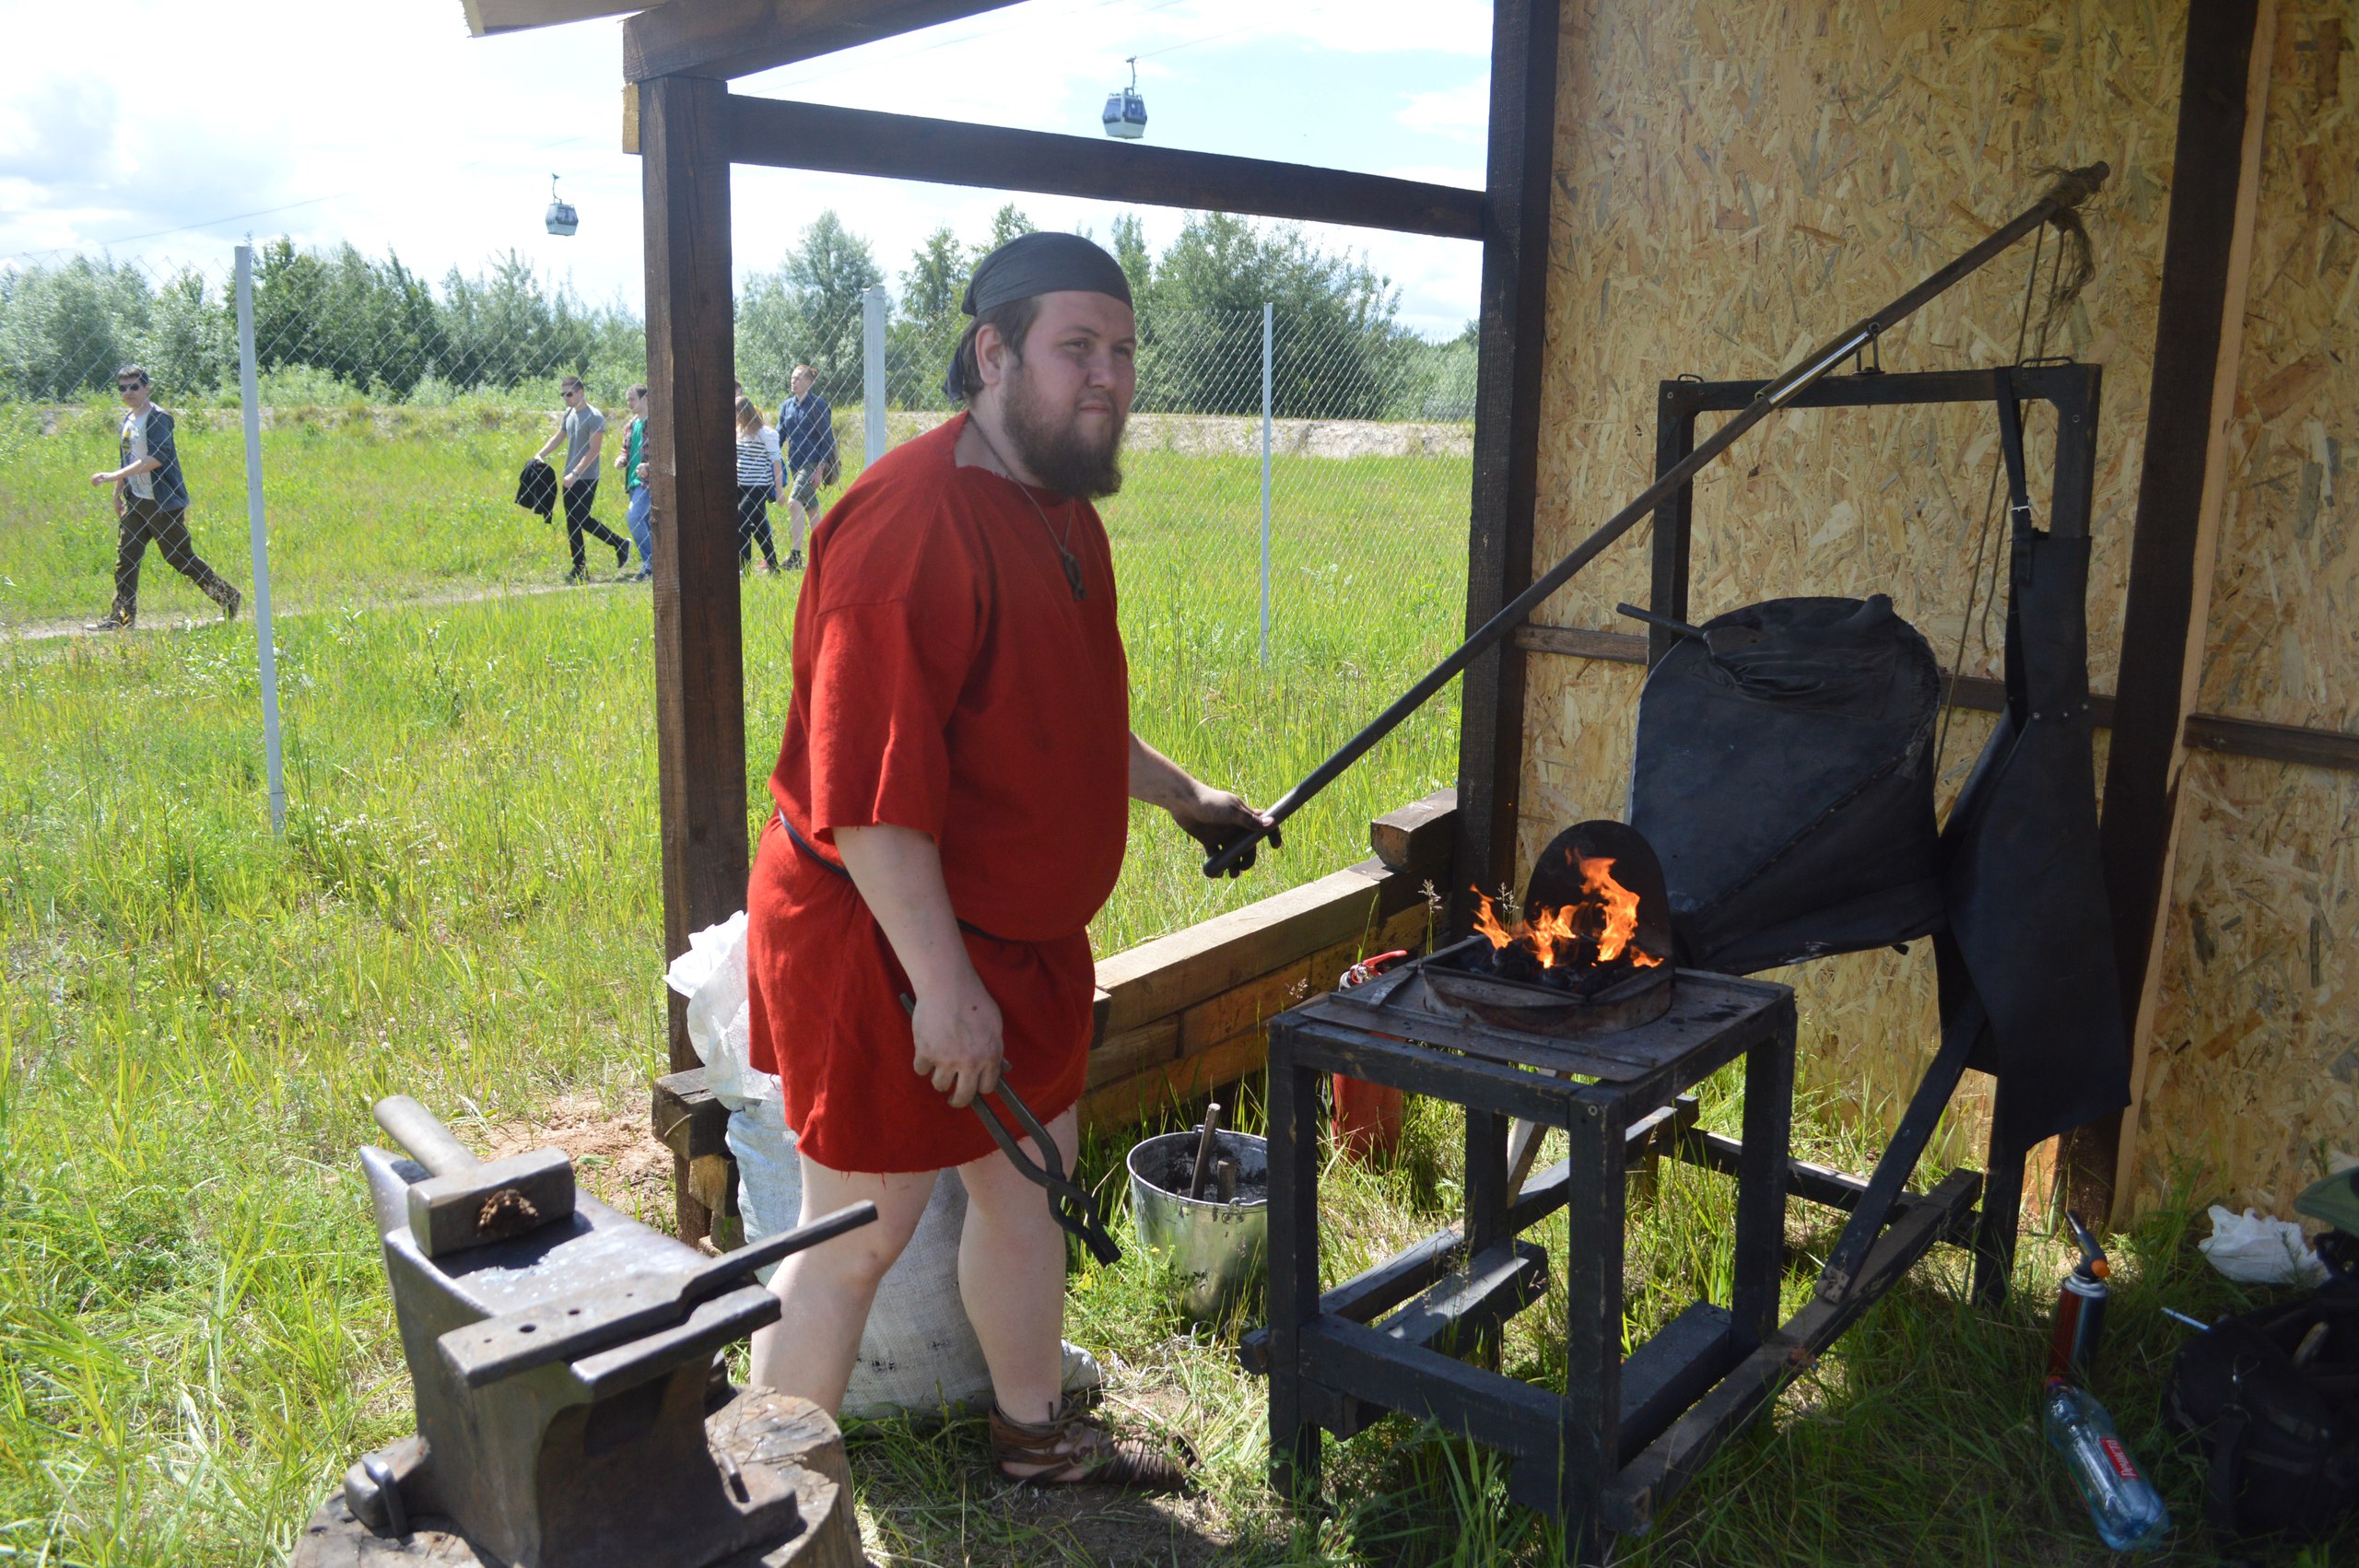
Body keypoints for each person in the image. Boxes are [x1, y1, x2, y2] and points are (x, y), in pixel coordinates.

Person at [743, 231, 1277, 1489]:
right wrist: (944, 989)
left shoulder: (1060, 509)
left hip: (1017, 936)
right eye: (1075, 347)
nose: (1107, 377)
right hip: (884, 934)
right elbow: (868, 806)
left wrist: (1187, 797)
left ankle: (1034, 1436)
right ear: (992, 354)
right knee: (858, 1234)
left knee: (1028, 1190)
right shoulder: (907, 528)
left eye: (1123, 350)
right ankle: (770, 1502)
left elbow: (1061, 717)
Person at [85, 365, 241, 631]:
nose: (128, 392)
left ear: (147, 387)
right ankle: (121, 618)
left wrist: (113, 476)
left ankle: (228, 597)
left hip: (161, 502)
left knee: (179, 557)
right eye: (123, 388)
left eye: (134, 386)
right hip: (136, 501)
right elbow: (128, 459)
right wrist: (117, 492)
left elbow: (156, 458)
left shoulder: (158, 418)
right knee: (126, 559)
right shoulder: (129, 419)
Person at [534, 375, 628, 582]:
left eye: (569, 394)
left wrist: (575, 473)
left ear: (580, 392)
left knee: (582, 519)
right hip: (570, 476)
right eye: (563, 394)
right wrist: (540, 454)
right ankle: (580, 567)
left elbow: (594, 450)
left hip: (586, 477)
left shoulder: (594, 416)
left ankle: (619, 543)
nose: (565, 398)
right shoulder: (569, 413)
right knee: (572, 522)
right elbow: (559, 437)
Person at [775, 364, 838, 571]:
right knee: (812, 510)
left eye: (798, 378)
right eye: (792, 378)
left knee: (793, 503)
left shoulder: (818, 405)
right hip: (795, 463)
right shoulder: (787, 407)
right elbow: (779, 436)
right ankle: (826, 553)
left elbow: (827, 439)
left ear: (810, 382)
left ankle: (795, 556)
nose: (793, 381)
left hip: (813, 463)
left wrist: (820, 469)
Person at [734, 395, 784, 573]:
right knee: (759, 526)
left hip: (759, 486)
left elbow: (776, 462)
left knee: (741, 521)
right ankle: (774, 565)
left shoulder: (766, 434)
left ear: (744, 412)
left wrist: (779, 491)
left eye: (736, 413)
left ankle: (744, 568)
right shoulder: (738, 432)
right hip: (740, 485)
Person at [616, 383, 653, 581]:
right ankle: (656, 564)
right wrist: (622, 459)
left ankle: (651, 563)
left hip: (648, 482)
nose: (628, 403)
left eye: (632, 399)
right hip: (632, 481)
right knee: (646, 523)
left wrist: (649, 466)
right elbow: (626, 449)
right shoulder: (631, 424)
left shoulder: (656, 423)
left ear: (645, 398)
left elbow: (665, 451)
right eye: (627, 400)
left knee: (634, 517)